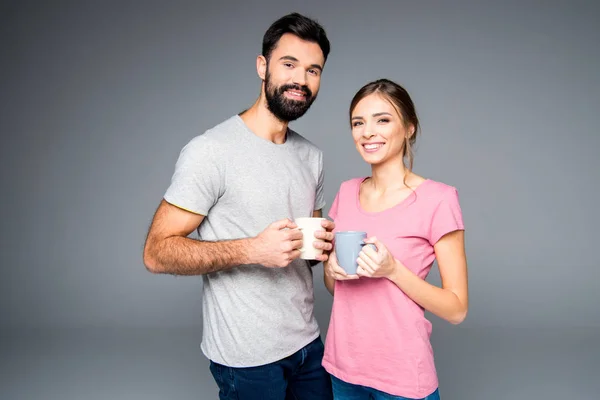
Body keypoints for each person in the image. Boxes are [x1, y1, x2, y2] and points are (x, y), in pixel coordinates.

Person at [143, 12, 335, 400]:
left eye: (313, 70)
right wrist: (252, 249)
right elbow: (156, 252)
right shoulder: (210, 151)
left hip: (308, 345)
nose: (301, 79)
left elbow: (308, 254)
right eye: (289, 64)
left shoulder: (312, 157)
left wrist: (327, 247)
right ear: (262, 66)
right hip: (246, 358)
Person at [322, 79, 469, 400]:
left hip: (403, 375)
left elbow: (457, 310)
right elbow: (336, 291)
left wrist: (393, 271)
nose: (367, 132)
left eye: (383, 120)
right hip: (342, 369)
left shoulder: (439, 199)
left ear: (409, 128)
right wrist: (331, 271)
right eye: (358, 123)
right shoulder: (347, 192)